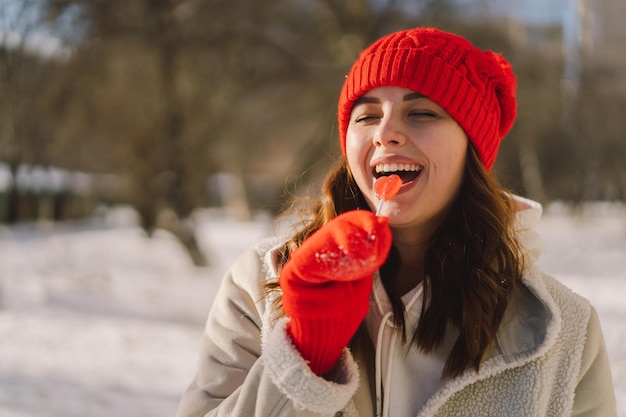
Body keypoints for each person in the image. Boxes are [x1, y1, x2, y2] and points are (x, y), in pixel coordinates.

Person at [176, 27, 617, 417]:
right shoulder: (260, 282)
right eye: (366, 115)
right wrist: (305, 356)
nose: (386, 132)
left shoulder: (566, 330)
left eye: (422, 112)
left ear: (472, 150)